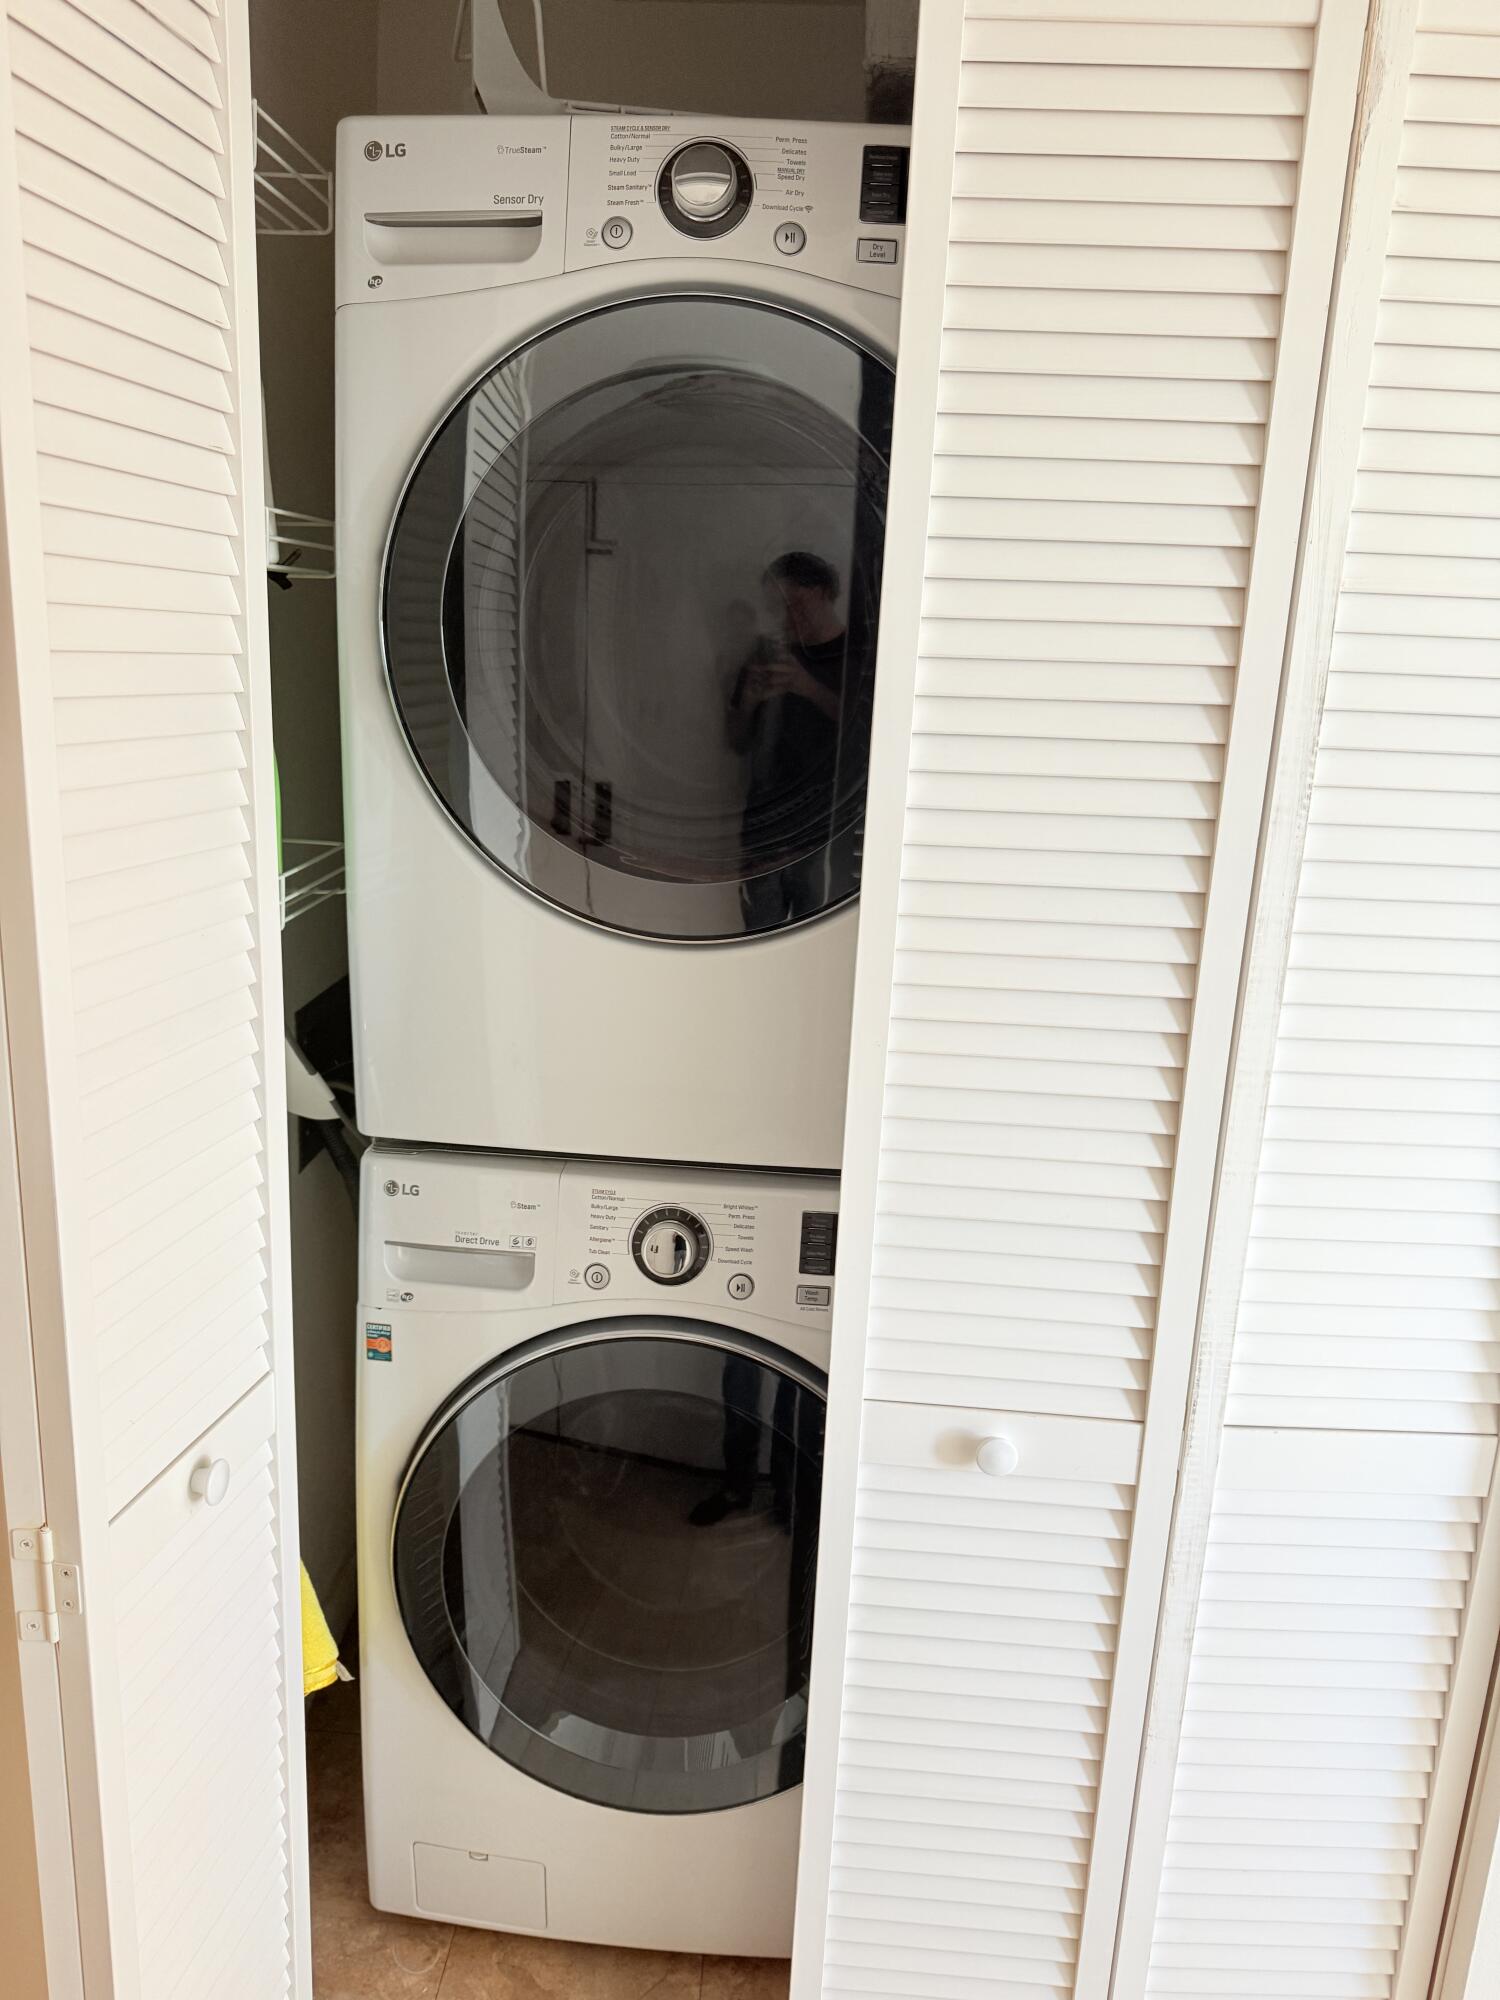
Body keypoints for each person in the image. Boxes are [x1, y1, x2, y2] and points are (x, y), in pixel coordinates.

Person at [729, 551, 857, 926]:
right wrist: (748, 702)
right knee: (758, 942)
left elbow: (867, 733)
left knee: (820, 936)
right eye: (778, 608)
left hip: (827, 828)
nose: (788, 617)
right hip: (763, 826)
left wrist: (808, 687)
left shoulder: (858, 654)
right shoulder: (767, 654)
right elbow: (736, 741)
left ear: (824, 591)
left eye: (796, 603)